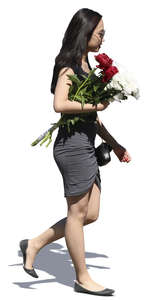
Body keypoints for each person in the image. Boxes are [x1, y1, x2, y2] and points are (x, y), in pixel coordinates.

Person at [19, 8, 131, 296]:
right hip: (72, 147)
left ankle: (35, 243)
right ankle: (82, 278)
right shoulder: (69, 65)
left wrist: (115, 144)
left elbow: (94, 118)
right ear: (86, 32)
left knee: (89, 214)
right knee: (76, 212)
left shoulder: (87, 66)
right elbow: (60, 104)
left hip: (85, 144)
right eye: (100, 33)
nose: (103, 38)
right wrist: (97, 106)